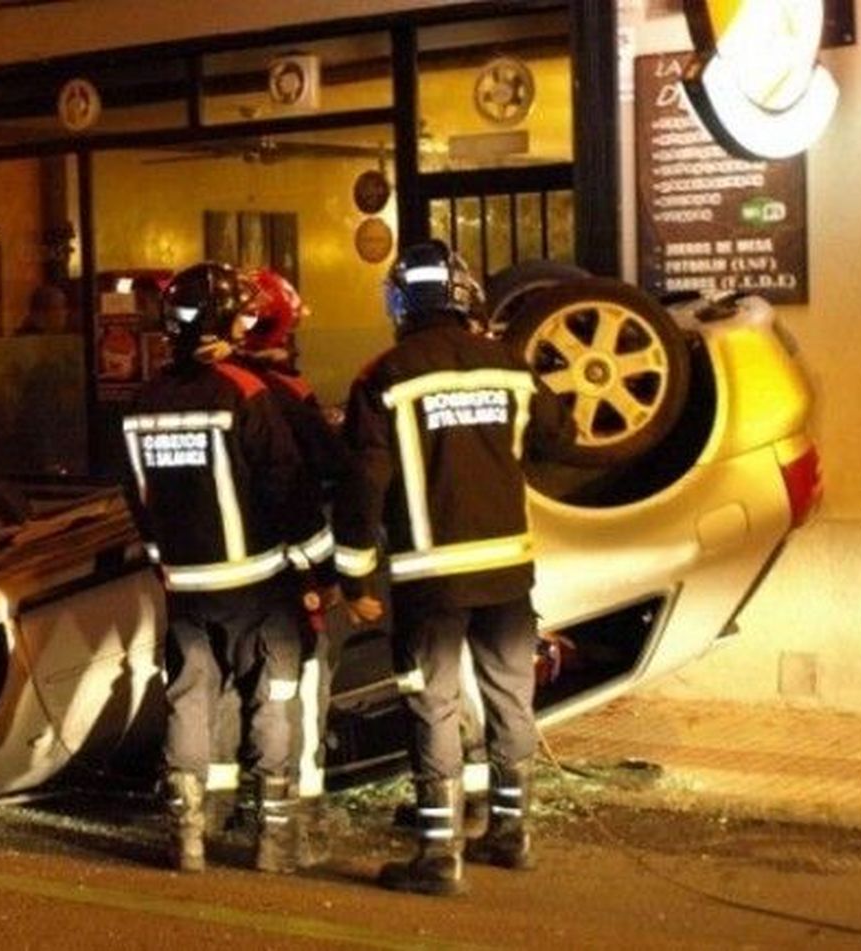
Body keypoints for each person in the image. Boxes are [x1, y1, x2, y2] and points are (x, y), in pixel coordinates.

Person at [332, 241, 573, 896]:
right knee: (510, 697)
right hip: (508, 574)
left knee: (433, 704)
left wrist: (355, 579)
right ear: (465, 295)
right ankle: (511, 832)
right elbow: (562, 435)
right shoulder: (509, 365)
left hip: (430, 579)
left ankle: (439, 854)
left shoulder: (384, 376)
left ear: (400, 304)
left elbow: (362, 484)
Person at [121, 261, 326, 875]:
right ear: (224, 321)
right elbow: (285, 484)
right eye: (240, 316)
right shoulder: (244, 389)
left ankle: (187, 837)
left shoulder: (143, 401)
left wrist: (164, 560)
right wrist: (319, 569)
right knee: (273, 699)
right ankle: (274, 841)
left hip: (186, 585)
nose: (245, 325)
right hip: (257, 584)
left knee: (189, 700)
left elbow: (138, 496)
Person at [228, 267, 349, 865]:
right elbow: (322, 470)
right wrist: (326, 573)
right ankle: (298, 816)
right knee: (298, 682)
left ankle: (225, 806)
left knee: (226, 685)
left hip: (222, 568)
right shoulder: (282, 392)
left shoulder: (215, 385)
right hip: (286, 568)